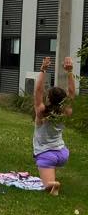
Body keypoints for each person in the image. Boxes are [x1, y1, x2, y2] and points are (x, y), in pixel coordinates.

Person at [32, 56, 76, 195]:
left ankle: (52, 184)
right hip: (62, 153)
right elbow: (72, 93)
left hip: (46, 155)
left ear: (49, 99)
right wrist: (69, 71)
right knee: (50, 168)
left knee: (47, 187)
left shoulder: (41, 112)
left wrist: (43, 70)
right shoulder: (66, 111)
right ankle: (52, 179)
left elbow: (38, 91)